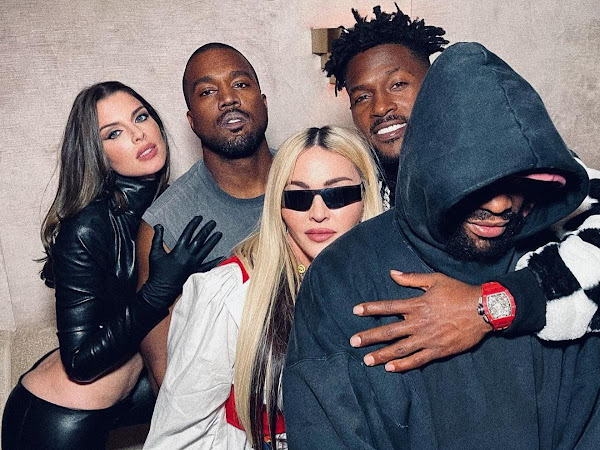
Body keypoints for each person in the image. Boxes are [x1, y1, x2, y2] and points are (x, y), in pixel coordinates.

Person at [283, 43, 600, 449]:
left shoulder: (559, 245)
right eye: (475, 183)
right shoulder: (341, 275)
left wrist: (491, 306)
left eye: (515, 182)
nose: (499, 205)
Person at [324, 5, 600, 371]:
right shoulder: (356, 186)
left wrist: (490, 306)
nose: (381, 107)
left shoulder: (514, 158)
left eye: (398, 84)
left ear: (437, 88)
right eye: (362, 97)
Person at [1, 81, 222, 450]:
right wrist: (157, 291)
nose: (138, 135)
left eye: (141, 117)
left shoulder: (171, 206)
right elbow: (79, 362)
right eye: (114, 133)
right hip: (55, 422)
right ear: (97, 154)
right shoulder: (87, 227)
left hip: (125, 402)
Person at [143, 126, 383, 449]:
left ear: (365, 197)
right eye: (298, 197)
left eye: (337, 195)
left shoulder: (388, 281)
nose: (318, 214)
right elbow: (176, 438)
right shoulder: (232, 293)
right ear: (278, 205)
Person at [137, 43, 273, 393]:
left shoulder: (311, 177)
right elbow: (166, 376)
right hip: (235, 405)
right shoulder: (167, 223)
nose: (228, 99)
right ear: (191, 121)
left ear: (263, 101)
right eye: (208, 91)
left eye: (240, 84)